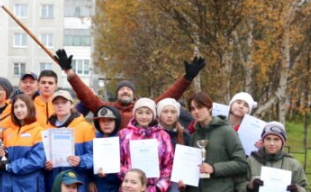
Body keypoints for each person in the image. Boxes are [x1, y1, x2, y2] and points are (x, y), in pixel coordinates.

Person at [54, 48, 205, 130]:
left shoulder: (144, 108)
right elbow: (86, 94)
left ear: (134, 94)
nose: (125, 91)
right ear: (117, 93)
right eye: (122, 89)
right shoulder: (106, 108)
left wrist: (187, 78)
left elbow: (169, 95)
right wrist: (69, 72)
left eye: (128, 89)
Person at [118, 98, 173, 192]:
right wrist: (131, 181)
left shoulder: (163, 136)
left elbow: (169, 165)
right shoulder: (124, 134)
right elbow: (117, 163)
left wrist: (160, 187)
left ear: (153, 115)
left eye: (148, 113)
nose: (144, 116)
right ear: (134, 114)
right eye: (140, 112)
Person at [45, 90, 95, 192]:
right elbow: (43, 156)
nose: (60, 105)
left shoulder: (85, 127)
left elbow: (94, 155)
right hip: (54, 187)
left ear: (71, 104)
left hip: (77, 189)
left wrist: (81, 160)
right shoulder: (47, 128)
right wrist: (46, 164)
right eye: (56, 103)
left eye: (64, 102)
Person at [88, 106, 122, 192]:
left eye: (110, 120)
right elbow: (87, 161)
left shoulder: (122, 140)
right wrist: (90, 181)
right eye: (102, 120)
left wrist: (112, 174)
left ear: (116, 122)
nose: (106, 123)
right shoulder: (92, 139)